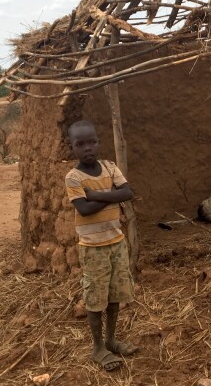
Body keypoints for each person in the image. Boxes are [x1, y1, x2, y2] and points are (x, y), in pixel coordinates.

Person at [64, 120, 138, 371]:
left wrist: (95, 194)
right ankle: (97, 347)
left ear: (98, 142)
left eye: (91, 142)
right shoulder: (73, 177)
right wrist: (111, 197)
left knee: (115, 295)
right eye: (80, 144)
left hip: (116, 242)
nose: (87, 148)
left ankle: (111, 339)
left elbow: (127, 193)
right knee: (95, 299)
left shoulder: (110, 166)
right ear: (72, 147)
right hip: (93, 247)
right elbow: (83, 210)